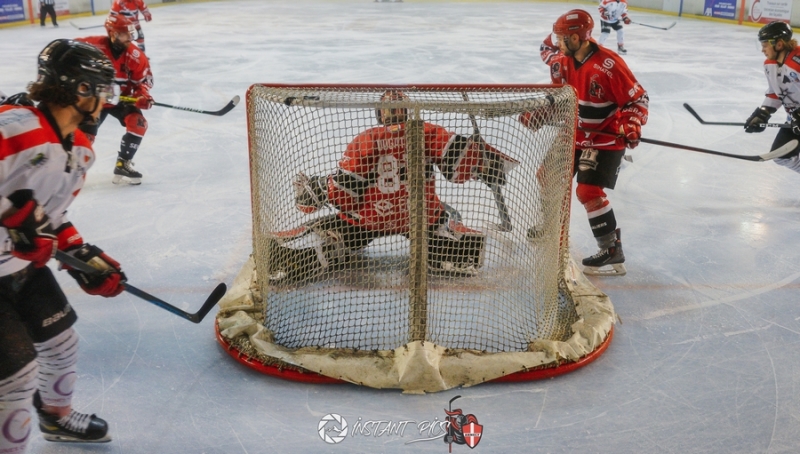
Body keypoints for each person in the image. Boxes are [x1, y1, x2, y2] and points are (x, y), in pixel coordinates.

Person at [0, 39, 127, 452]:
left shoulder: (80, 150)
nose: (108, 100)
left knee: (61, 342)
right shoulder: (18, 126)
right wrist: (11, 217)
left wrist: (80, 257)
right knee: (17, 376)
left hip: (18, 267)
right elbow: (20, 214)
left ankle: (55, 418)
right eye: (102, 90)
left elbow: (49, 215)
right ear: (81, 90)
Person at [267, 90, 517, 283]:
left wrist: (315, 190)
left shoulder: (367, 139)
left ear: (380, 114)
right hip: (419, 216)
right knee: (444, 217)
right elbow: (461, 168)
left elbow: (344, 195)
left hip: (370, 219)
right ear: (408, 112)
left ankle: (298, 255)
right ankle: (453, 251)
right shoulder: (426, 132)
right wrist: (483, 163)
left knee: (328, 230)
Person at [522, 9, 649, 276]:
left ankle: (611, 248)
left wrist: (632, 123)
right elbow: (561, 102)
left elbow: (637, 100)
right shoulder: (561, 61)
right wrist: (541, 115)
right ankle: (550, 225)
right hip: (573, 134)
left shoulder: (609, 65)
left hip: (604, 138)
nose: (556, 43)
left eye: (562, 38)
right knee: (548, 176)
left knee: (588, 192)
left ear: (578, 38)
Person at [77, 13, 154, 185]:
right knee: (85, 135)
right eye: (126, 33)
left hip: (121, 99)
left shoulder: (136, 56)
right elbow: (68, 50)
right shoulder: (92, 46)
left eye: (131, 33)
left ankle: (123, 163)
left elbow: (143, 82)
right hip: (96, 100)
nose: (131, 37)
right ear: (114, 34)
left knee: (138, 123)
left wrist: (142, 95)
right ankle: (73, 167)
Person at [744, 21, 800, 174]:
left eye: (765, 45)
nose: (762, 50)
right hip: (794, 120)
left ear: (779, 44)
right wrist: (763, 113)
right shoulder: (770, 65)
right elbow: (776, 92)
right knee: (782, 156)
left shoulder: (798, 61)